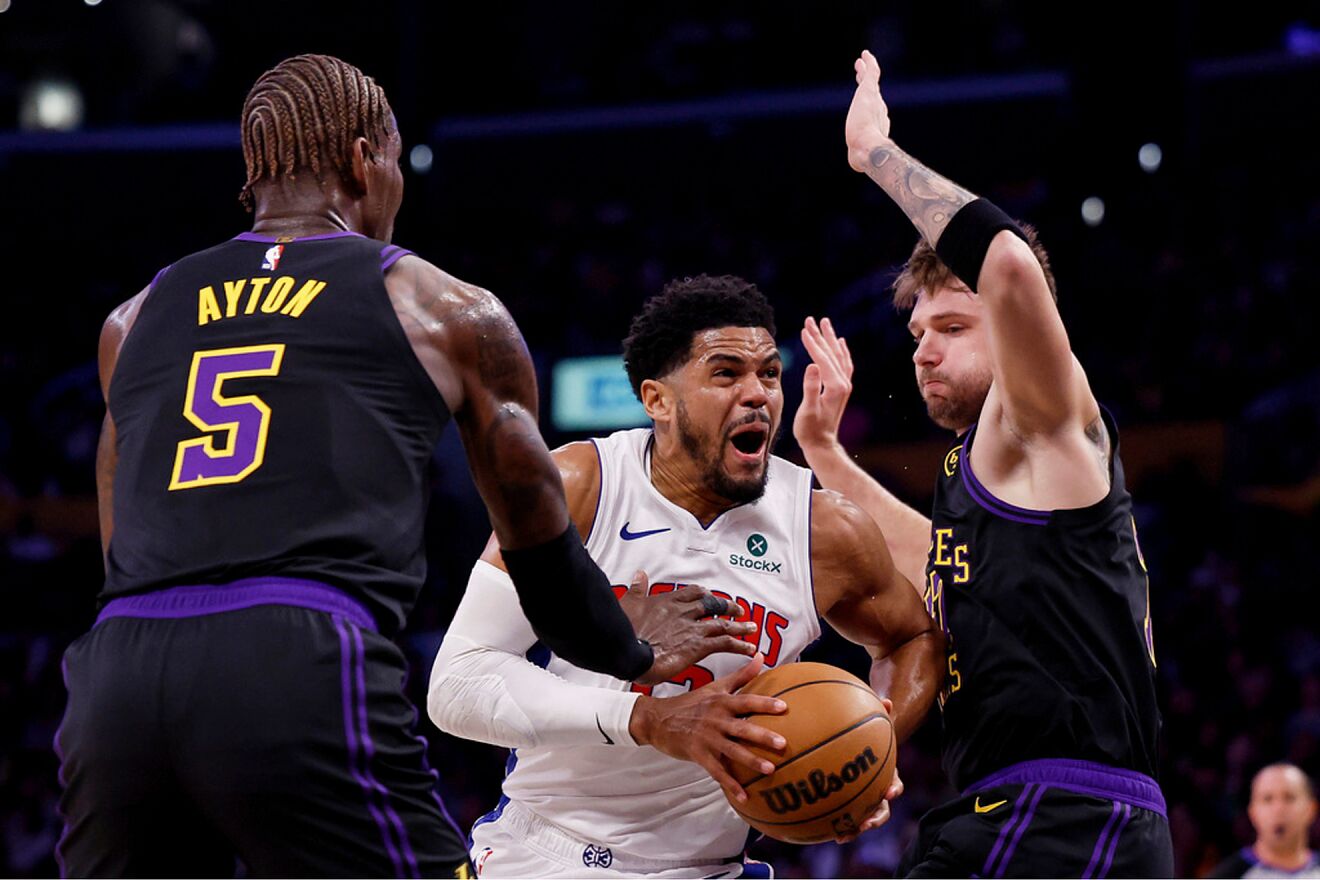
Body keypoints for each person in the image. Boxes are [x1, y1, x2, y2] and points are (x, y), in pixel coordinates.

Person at [55, 54, 753, 878]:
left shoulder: (131, 320)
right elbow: (535, 542)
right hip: (295, 658)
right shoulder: (439, 305)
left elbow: (118, 541)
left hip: (117, 674)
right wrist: (628, 649)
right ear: (366, 158)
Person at [789, 51, 1174, 876]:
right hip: (1023, 811)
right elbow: (938, 558)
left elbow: (1006, 264)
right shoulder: (986, 470)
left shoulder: (1049, 419)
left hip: (1063, 812)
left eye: (954, 327)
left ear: (1016, 327)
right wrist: (825, 453)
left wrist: (875, 155)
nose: (925, 351)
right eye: (919, 334)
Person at [427, 274, 944, 878]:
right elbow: (457, 685)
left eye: (769, 374)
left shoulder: (823, 529)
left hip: (714, 865)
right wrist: (648, 721)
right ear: (657, 400)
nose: (758, 394)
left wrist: (871, 739)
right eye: (726, 373)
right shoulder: (580, 487)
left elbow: (913, 638)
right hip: (550, 850)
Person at [1208, 764, 1320, 878]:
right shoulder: (1228, 875)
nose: (1278, 809)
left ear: (1311, 809)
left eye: (1289, 797)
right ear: (1253, 813)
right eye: (1267, 799)